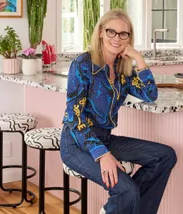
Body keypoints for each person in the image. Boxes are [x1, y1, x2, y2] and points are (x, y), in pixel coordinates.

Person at [60, 9, 177, 214]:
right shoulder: (82, 65)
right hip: (76, 143)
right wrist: (101, 154)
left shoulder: (124, 70)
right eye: (111, 32)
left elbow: (150, 94)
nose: (117, 38)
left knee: (165, 156)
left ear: (129, 38)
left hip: (105, 137)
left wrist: (139, 58)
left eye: (124, 34)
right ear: (101, 33)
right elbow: (75, 117)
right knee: (127, 191)